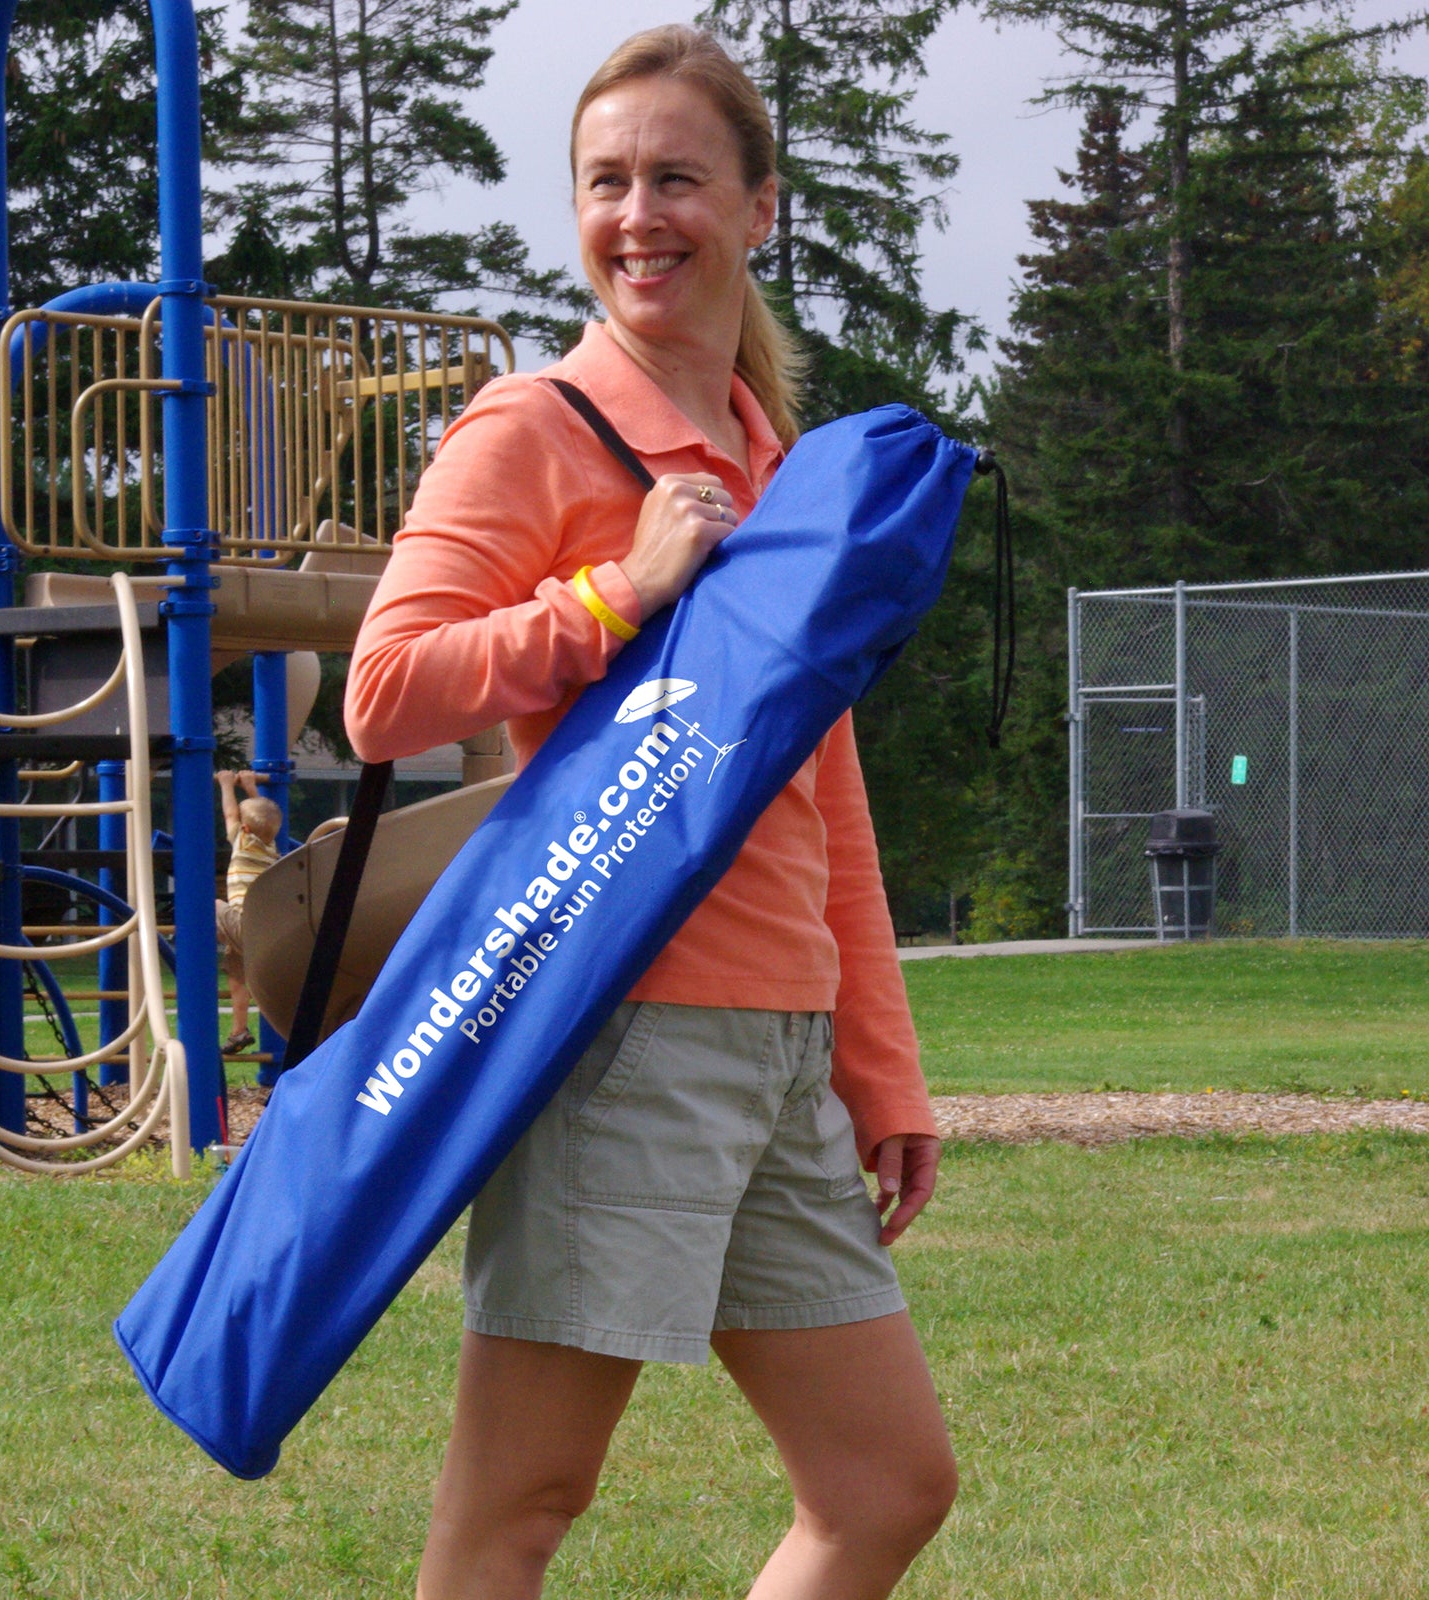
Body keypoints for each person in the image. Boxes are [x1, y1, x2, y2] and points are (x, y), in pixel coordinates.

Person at [345, 25, 954, 1599]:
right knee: (519, 1505)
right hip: (621, 1032)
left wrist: (876, 1061)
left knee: (883, 1487)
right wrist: (617, 591)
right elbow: (385, 693)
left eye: (677, 178)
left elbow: (825, 793)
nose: (638, 216)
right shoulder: (530, 428)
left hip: (780, 1045)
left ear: (760, 208)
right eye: (605, 182)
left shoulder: (780, 463)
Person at [215, 769, 282, 1056]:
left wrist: (226, 784)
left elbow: (231, 814)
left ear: (243, 828)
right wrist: (252, 787)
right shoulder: (270, 847)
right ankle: (238, 1030)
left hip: (242, 923)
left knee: (209, 905)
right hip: (261, 930)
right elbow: (264, 816)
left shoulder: (243, 843)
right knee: (237, 975)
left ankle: (198, 944)